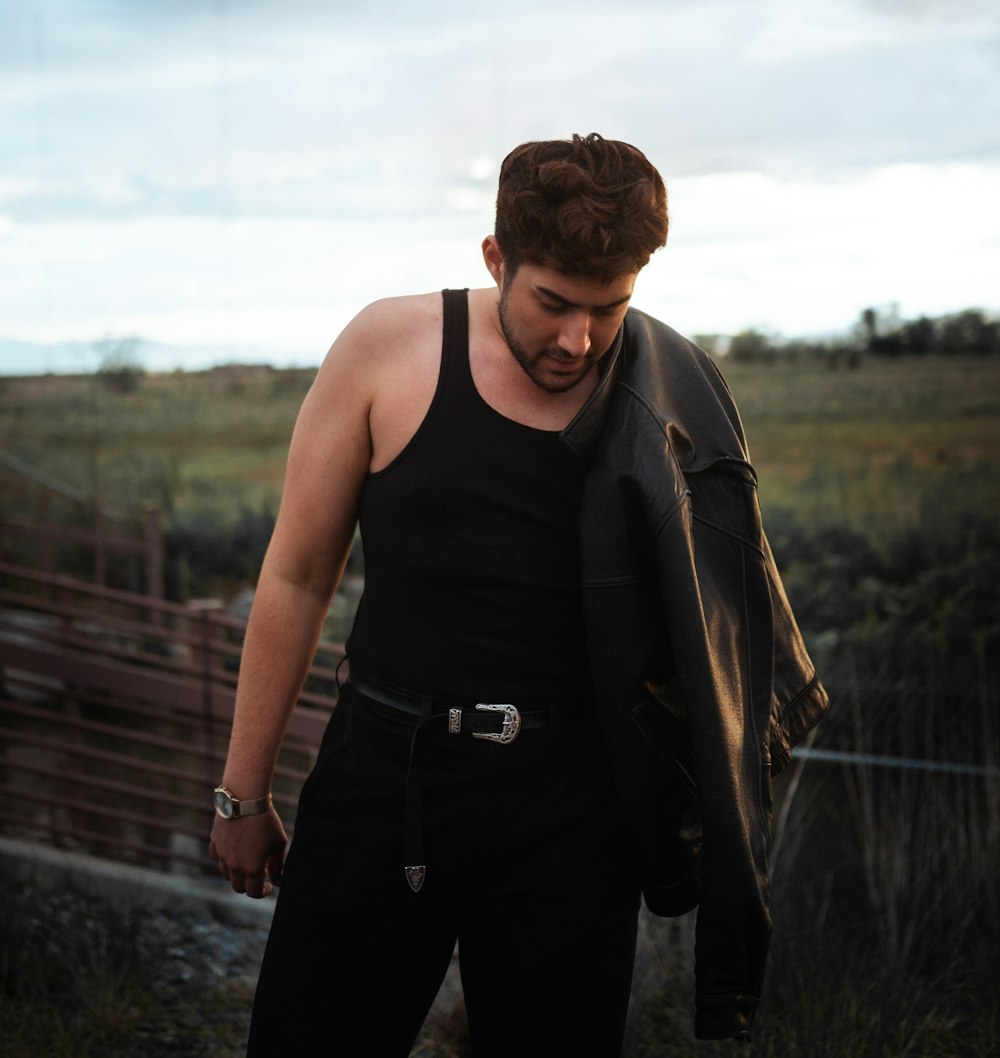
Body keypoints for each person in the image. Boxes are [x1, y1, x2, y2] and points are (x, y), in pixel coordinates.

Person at [210, 134, 827, 1056]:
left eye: (610, 308)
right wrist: (241, 794)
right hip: (387, 779)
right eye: (552, 303)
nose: (579, 339)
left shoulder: (671, 386)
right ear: (496, 258)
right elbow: (297, 575)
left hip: (574, 809)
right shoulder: (388, 349)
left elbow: (718, 611)